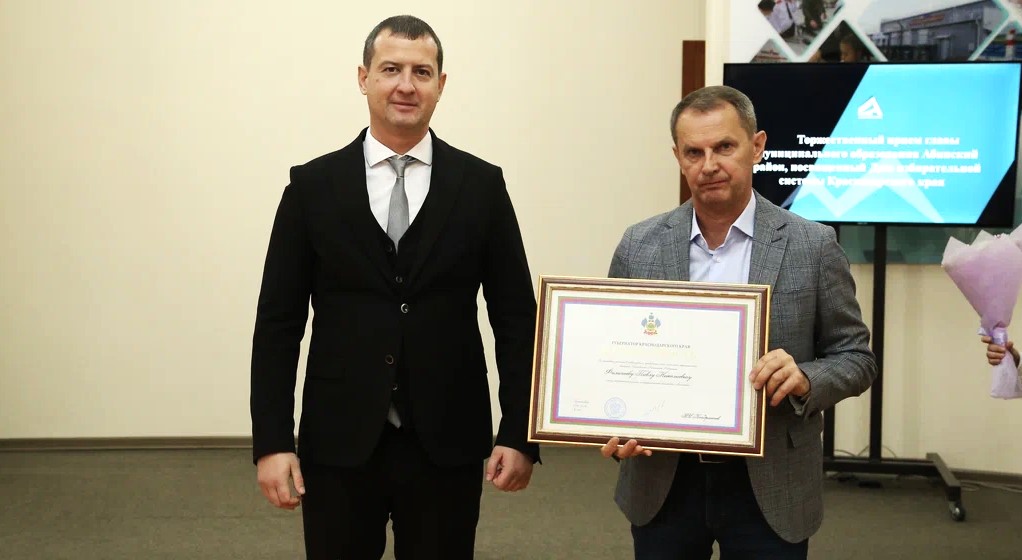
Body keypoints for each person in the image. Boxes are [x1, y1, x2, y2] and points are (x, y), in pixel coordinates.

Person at [250, 15, 539, 559]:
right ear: (363, 78)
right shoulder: (312, 187)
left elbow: (517, 319)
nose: (406, 85)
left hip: (447, 443)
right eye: (390, 69)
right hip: (338, 441)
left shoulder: (481, 186)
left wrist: (519, 432)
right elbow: (278, 325)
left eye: (421, 72)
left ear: (440, 84)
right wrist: (272, 442)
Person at [600, 85, 877, 559]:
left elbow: (856, 358)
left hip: (771, 480)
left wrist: (804, 378)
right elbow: (613, 355)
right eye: (694, 152)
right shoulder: (639, 245)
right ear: (678, 157)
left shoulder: (813, 246)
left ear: (757, 145)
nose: (709, 165)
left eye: (724, 147)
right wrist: (611, 420)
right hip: (663, 478)